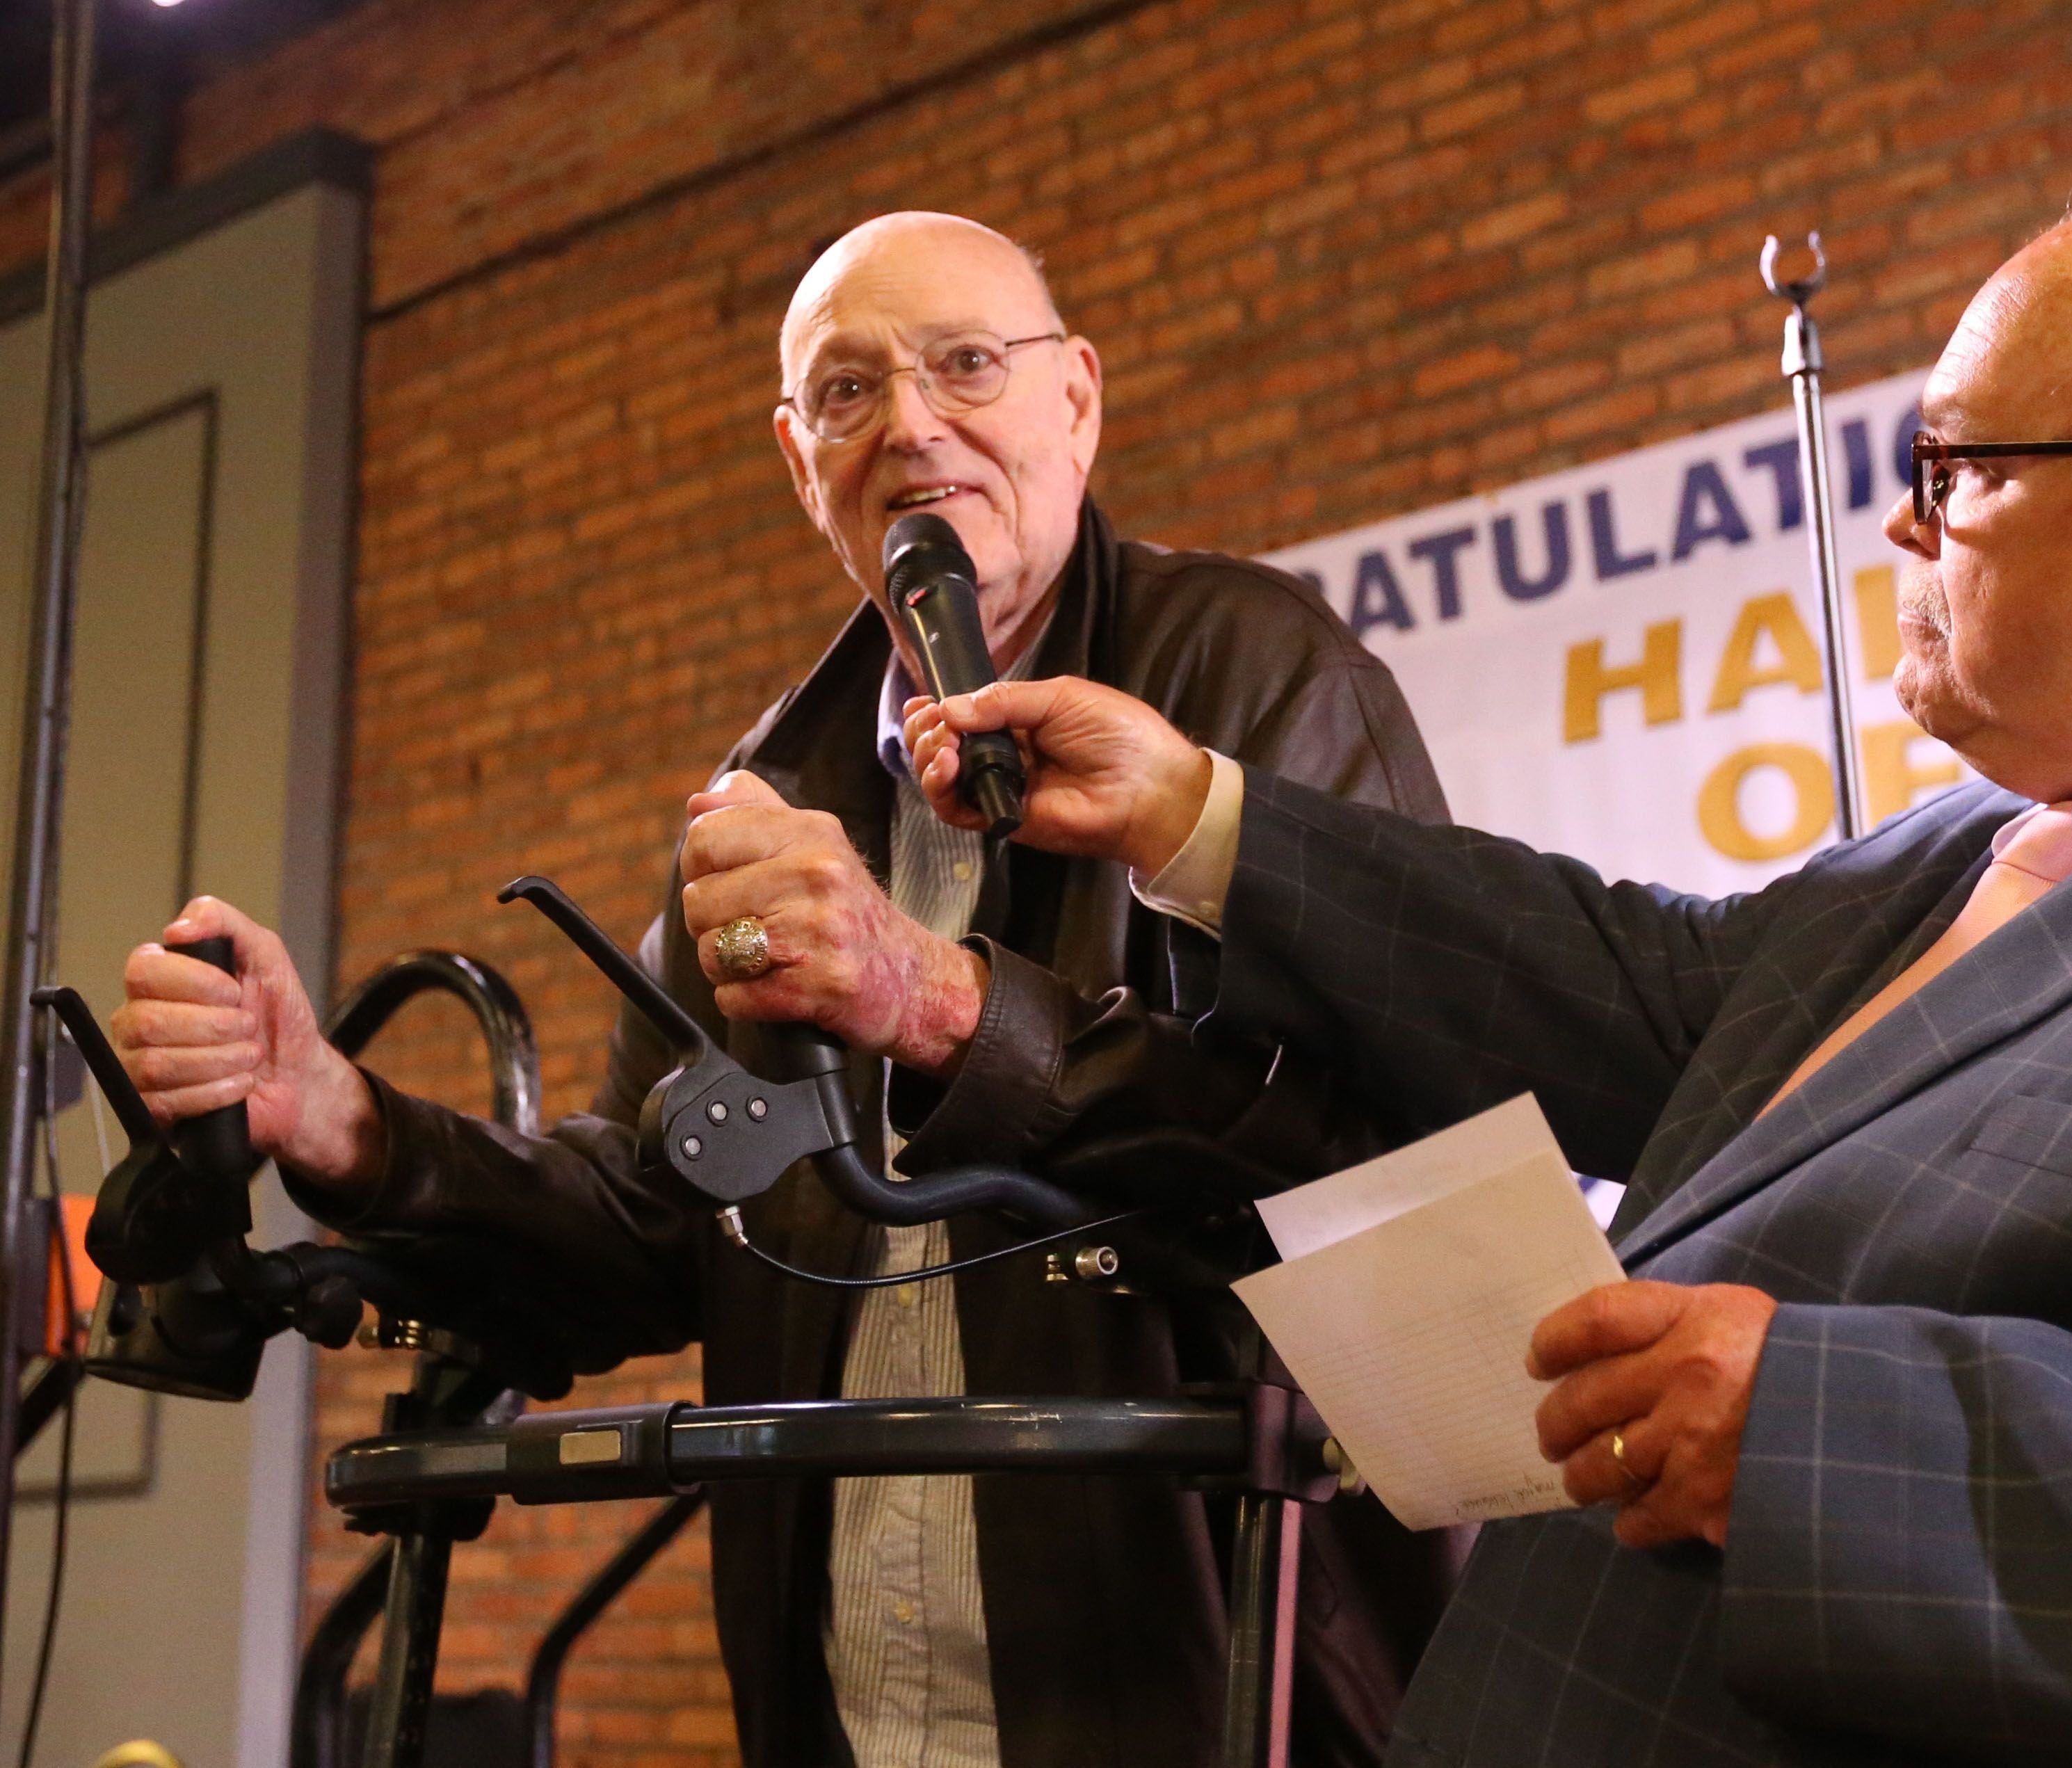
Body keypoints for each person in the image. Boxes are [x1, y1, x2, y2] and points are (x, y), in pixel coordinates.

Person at [904, 168, 2072, 1762]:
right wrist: (1188, 809)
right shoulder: (1979, 842)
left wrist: (1819, 1439)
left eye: (1959, 467)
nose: (1904, 522)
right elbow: (1662, 998)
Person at [111, 212, 1461, 1767]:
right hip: (858, 1714)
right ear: (796, 459)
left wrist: (942, 1005)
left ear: (1076, 399)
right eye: (846, 392)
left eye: (966, 365)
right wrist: (347, 1124)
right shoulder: (774, 785)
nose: (911, 425)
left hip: (1223, 1700)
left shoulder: (1257, 675)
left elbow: (1368, 1148)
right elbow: (649, 1221)